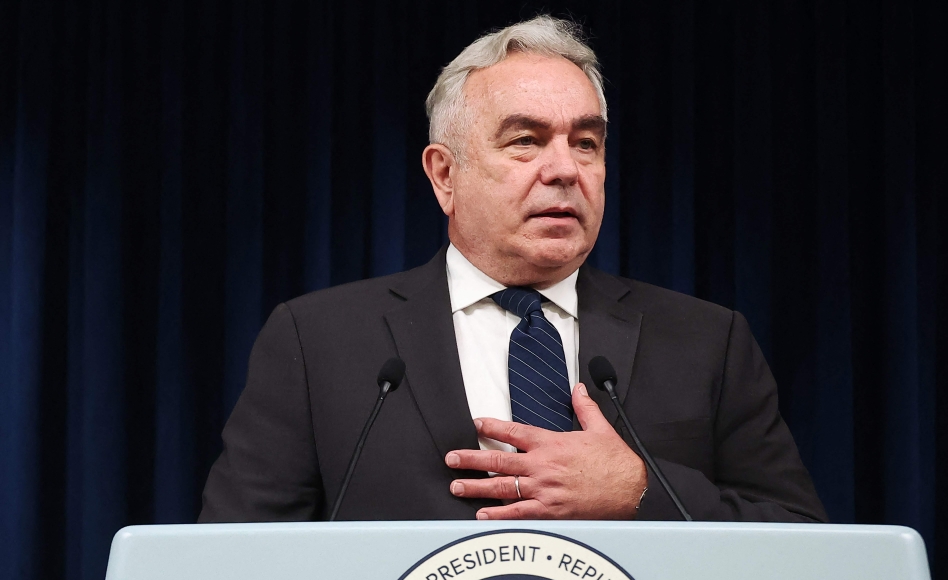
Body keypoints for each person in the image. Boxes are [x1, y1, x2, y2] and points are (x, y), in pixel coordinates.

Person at [199, 16, 827, 524]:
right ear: (445, 175)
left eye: (586, 143)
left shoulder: (706, 342)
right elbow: (233, 564)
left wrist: (640, 492)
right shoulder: (320, 341)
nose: (564, 170)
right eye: (525, 140)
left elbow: (802, 543)